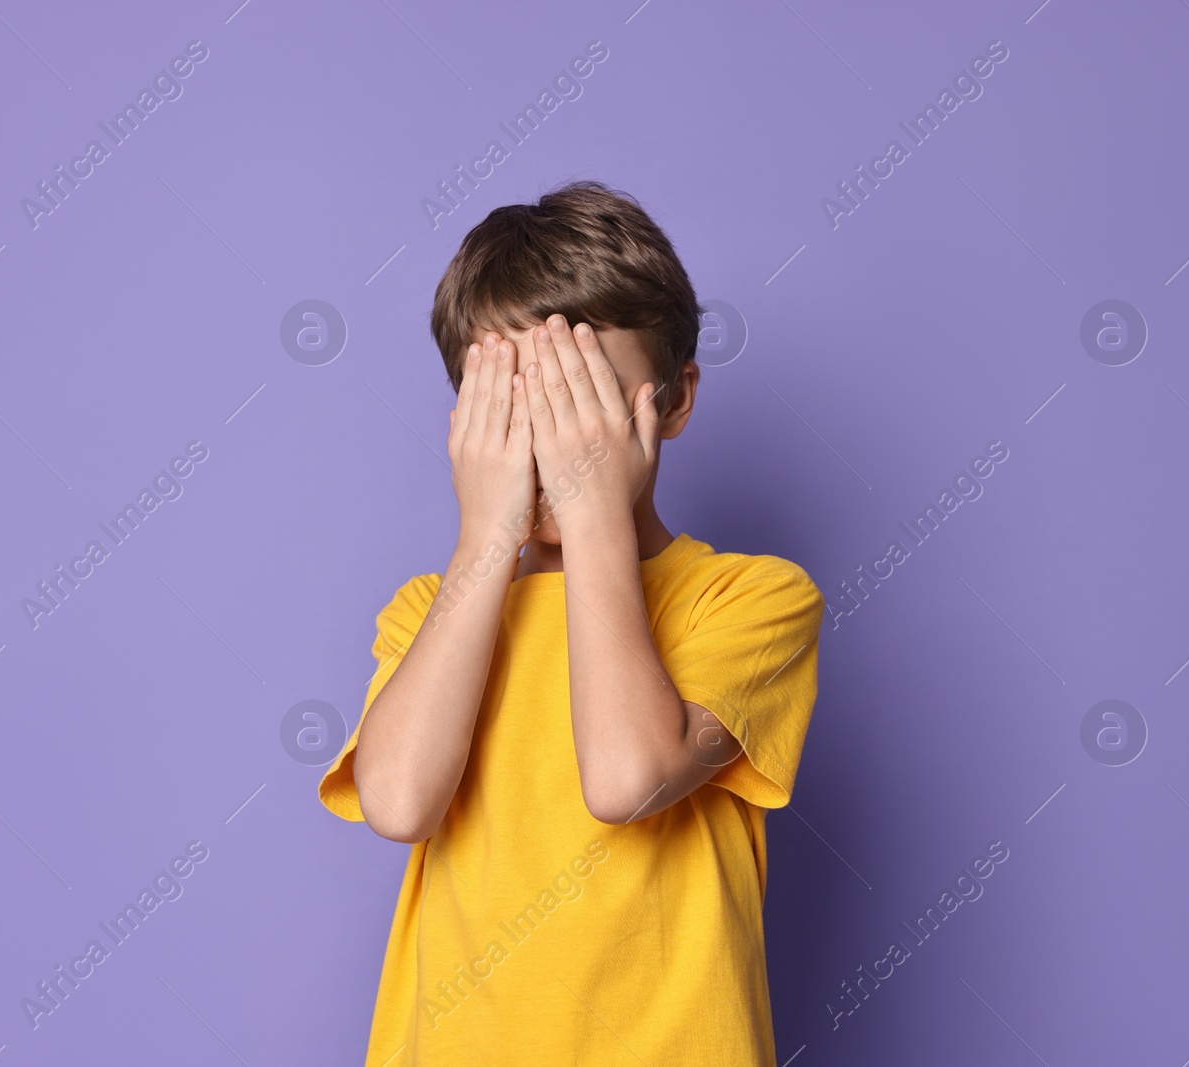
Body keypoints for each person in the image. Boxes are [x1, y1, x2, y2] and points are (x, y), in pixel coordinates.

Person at [318, 180, 825, 1066]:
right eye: (520, 407)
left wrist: (593, 516)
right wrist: (486, 535)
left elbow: (627, 778)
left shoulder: (751, 599)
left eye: (586, 403)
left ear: (672, 400)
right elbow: (399, 802)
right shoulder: (425, 615)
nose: (558, 443)